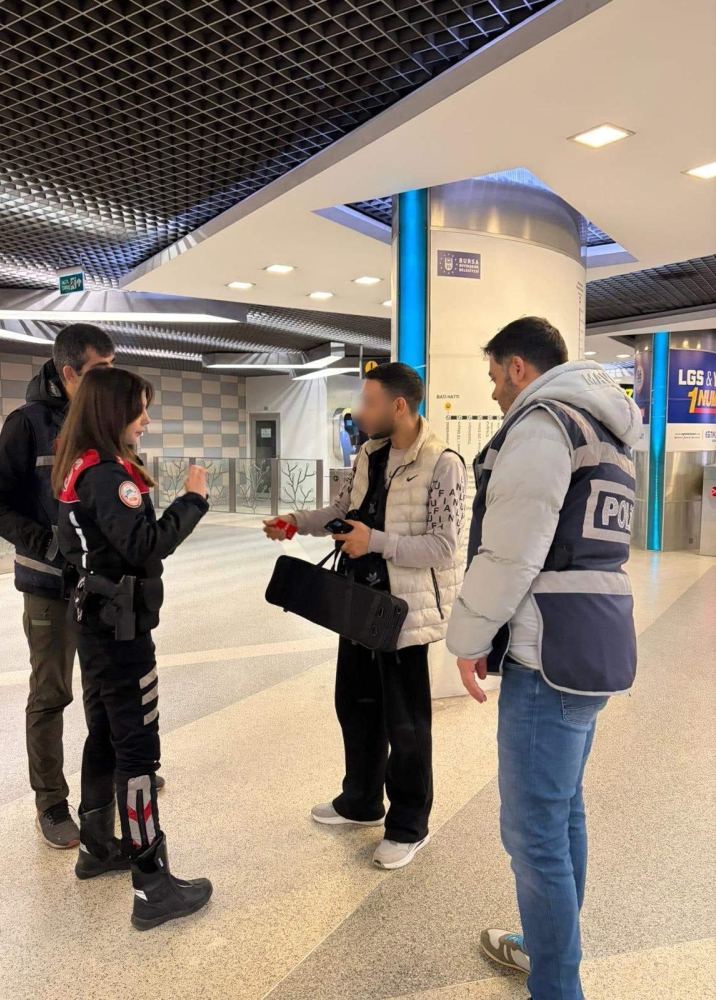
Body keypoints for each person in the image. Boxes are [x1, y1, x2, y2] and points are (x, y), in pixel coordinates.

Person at [446, 317, 641, 1000]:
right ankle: (545, 948)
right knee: (563, 814)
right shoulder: (609, 432)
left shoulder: (543, 425)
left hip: (546, 654)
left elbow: (511, 552)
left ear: (518, 367)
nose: (495, 392)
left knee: (533, 835)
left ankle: (555, 985)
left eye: (495, 377)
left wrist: (468, 639)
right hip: (594, 643)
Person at [264, 362, 467, 870]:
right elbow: (341, 512)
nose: (359, 411)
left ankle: (409, 825)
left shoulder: (442, 463)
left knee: (406, 724)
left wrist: (374, 541)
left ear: (399, 405)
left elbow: (443, 546)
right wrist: (296, 521)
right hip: (357, 602)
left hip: (403, 613)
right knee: (355, 706)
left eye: (369, 402)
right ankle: (360, 801)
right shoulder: (368, 454)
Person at [53, 366, 212, 930]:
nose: (145, 420)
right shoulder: (107, 475)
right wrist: (193, 500)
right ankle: (152, 882)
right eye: (138, 409)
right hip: (120, 633)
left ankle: (97, 845)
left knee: (105, 735)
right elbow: (146, 544)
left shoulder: (79, 464)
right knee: (138, 751)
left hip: (97, 624)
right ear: (112, 412)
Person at [0, 323, 116, 849]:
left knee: (106, 688)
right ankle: (51, 802)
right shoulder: (28, 425)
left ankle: (110, 776)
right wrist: (51, 546)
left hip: (101, 583)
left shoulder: (104, 420)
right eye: (101, 371)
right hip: (49, 585)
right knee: (52, 691)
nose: (110, 381)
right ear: (69, 373)